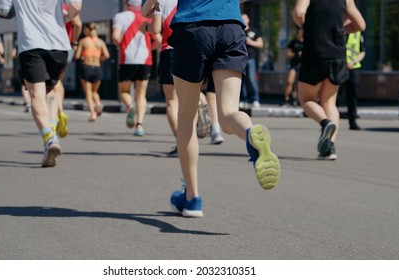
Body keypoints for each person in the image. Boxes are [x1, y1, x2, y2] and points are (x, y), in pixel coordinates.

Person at [143, 0, 281, 218]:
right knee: (228, 113)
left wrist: (148, 6)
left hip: (193, 26)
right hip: (231, 27)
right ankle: (250, 133)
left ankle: (192, 199)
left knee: (186, 117)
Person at [0, 0, 82, 167]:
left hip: (31, 44)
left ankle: (49, 138)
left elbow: (2, 11)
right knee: (49, 91)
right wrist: (65, 17)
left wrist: (21, 10)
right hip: (59, 47)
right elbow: (76, 7)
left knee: (36, 94)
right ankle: (53, 130)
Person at [293, 0, 366, 160]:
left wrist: (307, 28)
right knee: (329, 102)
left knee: (307, 99)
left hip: (315, 53)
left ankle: (325, 123)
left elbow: (298, 13)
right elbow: (360, 25)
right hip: (338, 56)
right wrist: (339, 30)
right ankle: (329, 148)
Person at [112, 0, 158, 137]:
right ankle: (139, 126)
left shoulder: (120, 16)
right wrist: (150, 49)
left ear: (126, 2)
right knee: (141, 94)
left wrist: (120, 45)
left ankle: (130, 107)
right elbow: (158, 40)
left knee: (124, 91)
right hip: (145, 60)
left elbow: (115, 36)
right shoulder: (147, 18)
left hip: (127, 59)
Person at [142, 0, 179, 155]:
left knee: (172, 101)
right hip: (192, 48)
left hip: (170, 50)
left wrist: (146, 27)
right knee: (191, 94)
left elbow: (156, 28)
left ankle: (181, 141)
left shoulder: (162, 1)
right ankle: (202, 104)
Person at [53, 3, 83, 137]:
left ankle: (57, 111)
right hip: (66, 47)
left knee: (50, 81)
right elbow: (78, 24)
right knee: (59, 80)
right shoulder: (67, 6)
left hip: (48, 45)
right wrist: (75, 42)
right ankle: (60, 110)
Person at [74, 22, 110, 122]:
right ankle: (98, 105)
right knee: (94, 91)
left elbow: (77, 56)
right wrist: (98, 58)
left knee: (88, 93)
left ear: (88, 30)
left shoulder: (83, 41)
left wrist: (79, 52)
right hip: (97, 67)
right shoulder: (100, 42)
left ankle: (92, 112)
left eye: (85, 29)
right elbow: (107, 55)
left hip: (86, 67)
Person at [338, 31, 365, 130]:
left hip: (353, 68)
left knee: (352, 95)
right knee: (335, 95)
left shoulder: (357, 32)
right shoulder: (339, 29)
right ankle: (331, 121)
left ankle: (352, 121)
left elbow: (362, 51)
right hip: (339, 67)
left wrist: (353, 62)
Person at [240, 13, 263, 109]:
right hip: (240, 59)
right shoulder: (238, 31)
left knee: (252, 79)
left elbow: (260, 44)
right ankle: (243, 100)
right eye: (242, 18)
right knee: (240, 80)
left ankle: (255, 99)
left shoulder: (254, 31)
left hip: (250, 58)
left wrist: (250, 42)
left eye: (245, 18)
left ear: (248, 19)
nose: (243, 20)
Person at [281, 27, 303, 107]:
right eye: (300, 31)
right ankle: (286, 99)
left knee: (299, 83)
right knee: (290, 81)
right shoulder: (293, 42)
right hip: (294, 64)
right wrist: (296, 54)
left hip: (303, 64)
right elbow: (288, 54)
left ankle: (297, 99)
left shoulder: (307, 42)